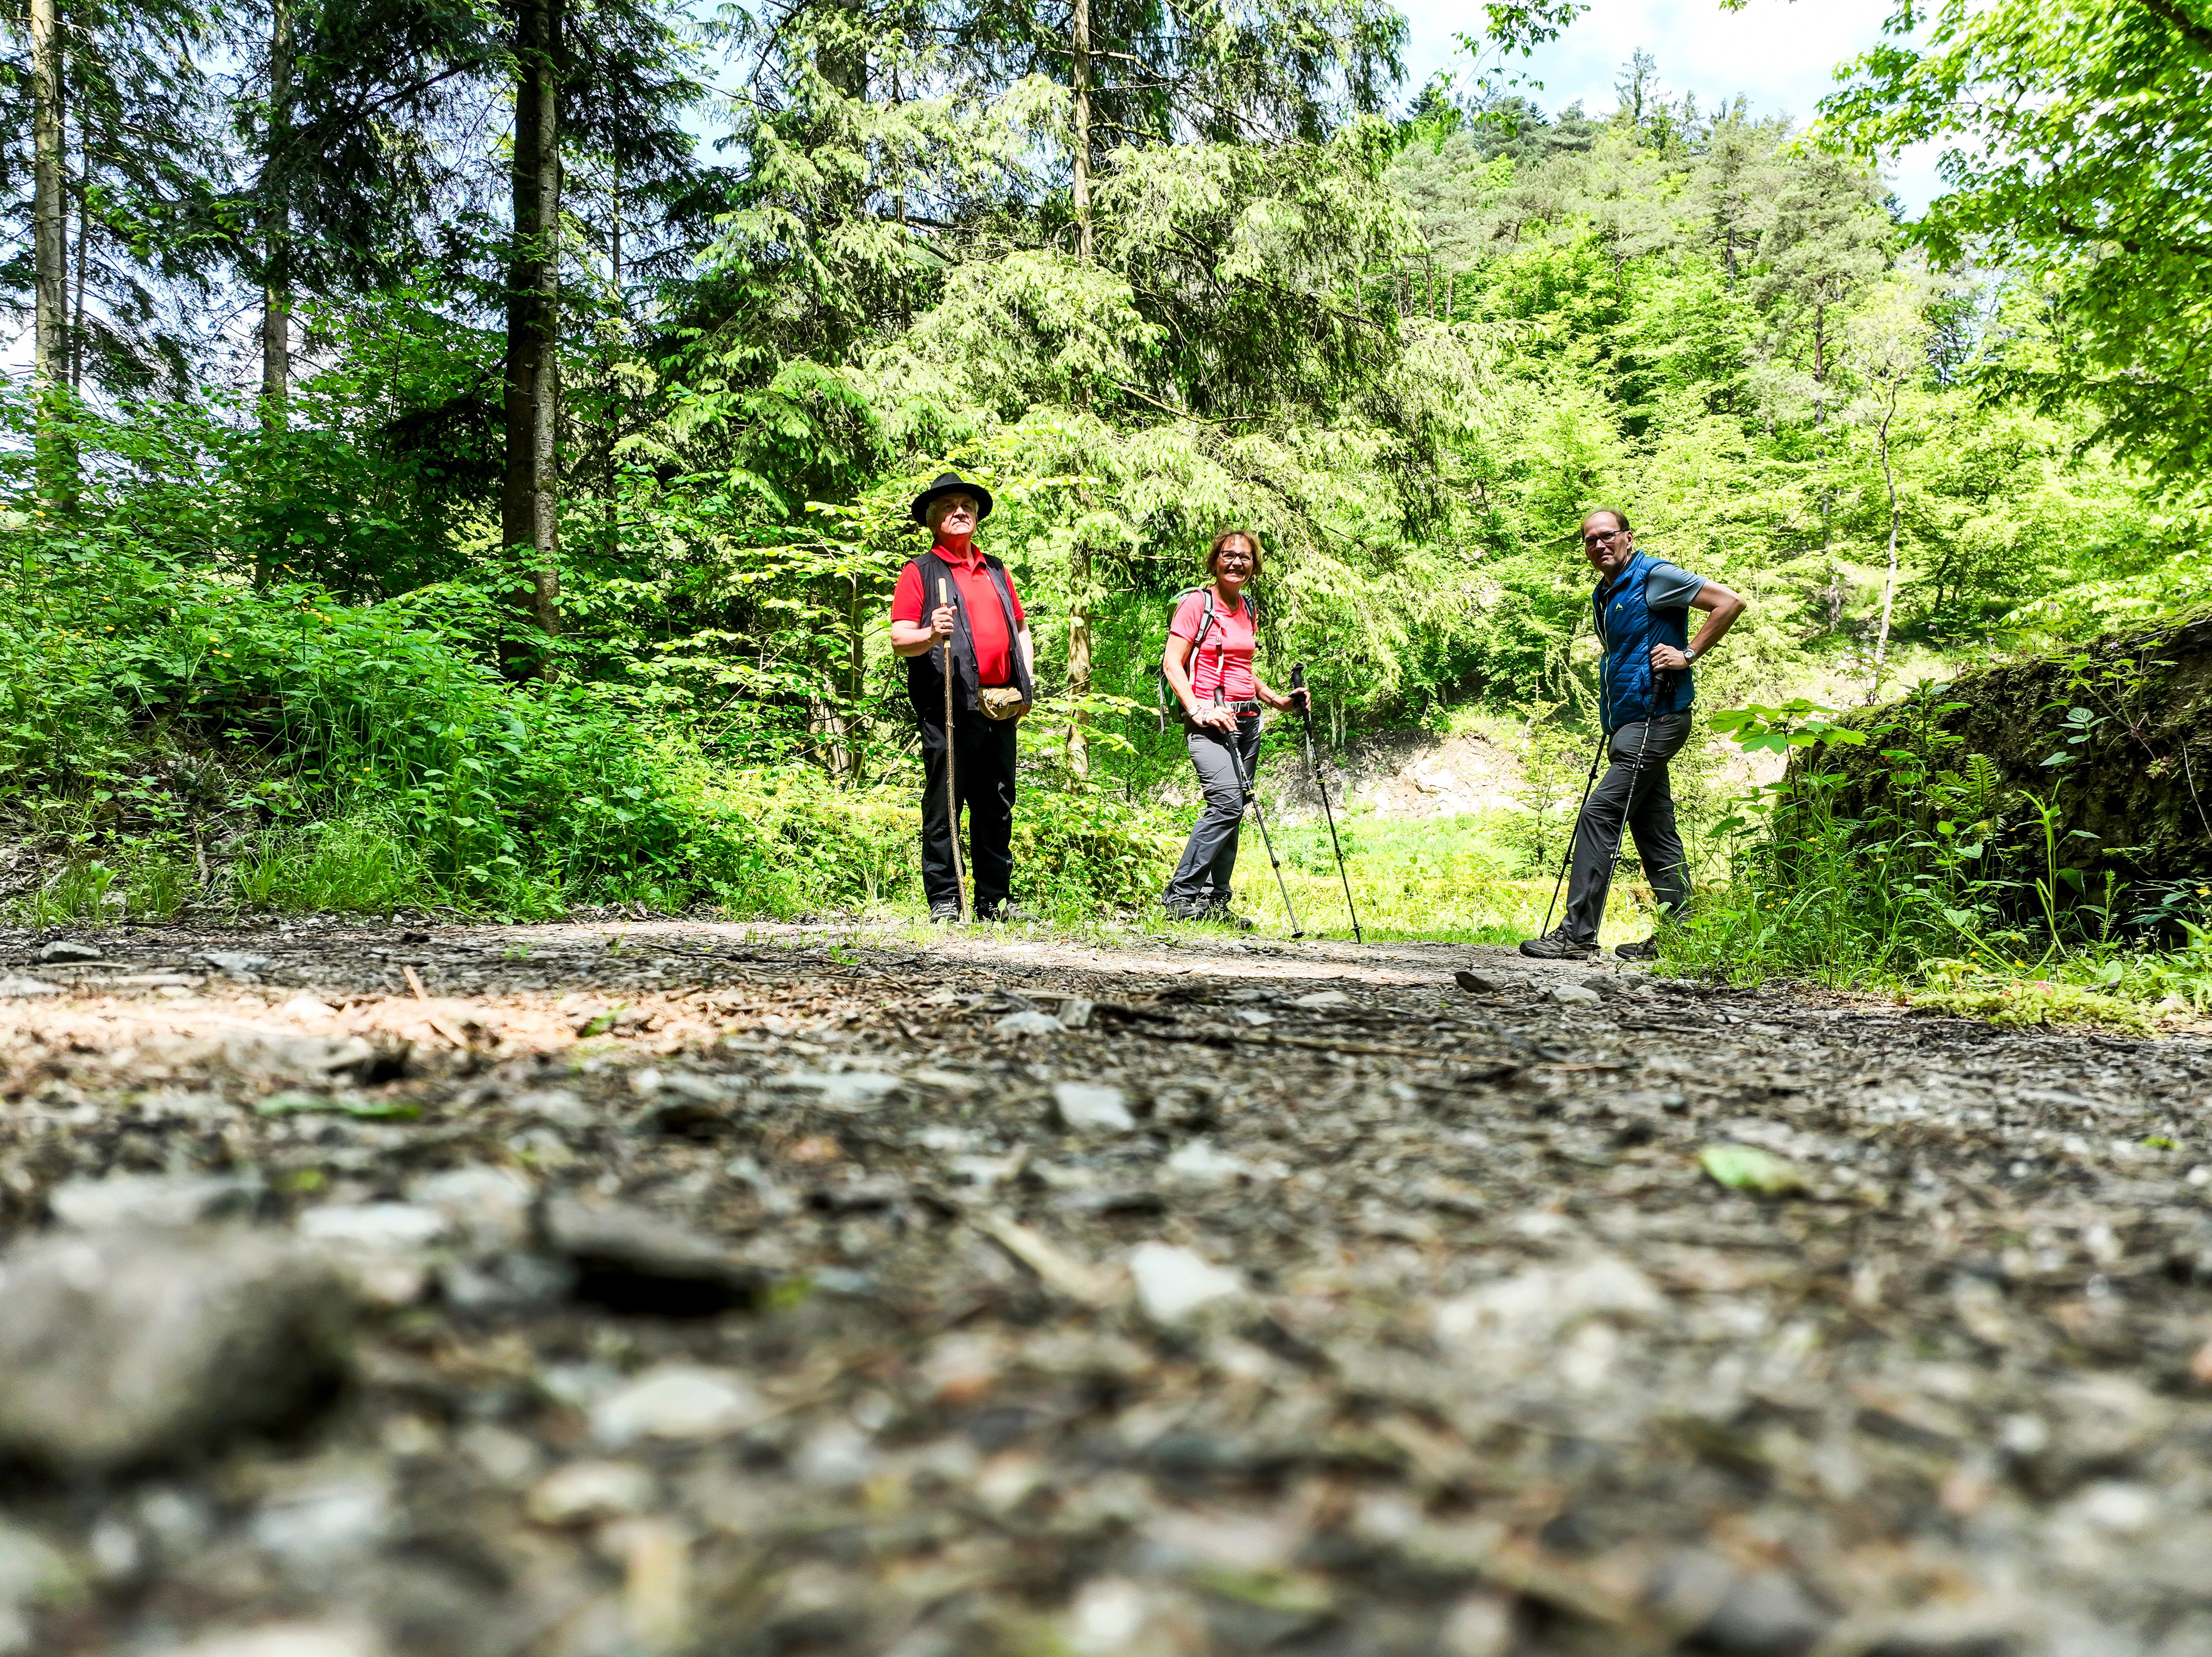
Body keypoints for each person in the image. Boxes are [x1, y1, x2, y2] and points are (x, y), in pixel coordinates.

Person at [1519, 506, 1747, 961]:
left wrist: (1688, 652)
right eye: (1589, 539)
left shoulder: (1654, 576)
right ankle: (1681, 935)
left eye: (1606, 535)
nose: (1598, 544)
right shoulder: (1604, 592)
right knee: (1654, 829)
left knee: (1598, 815)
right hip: (1629, 722)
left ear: (1627, 536)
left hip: (1657, 718)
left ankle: (1576, 936)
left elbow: (1730, 602)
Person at [889, 472, 1038, 923]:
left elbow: (1021, 629)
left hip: (1001, 703)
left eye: (967, 505)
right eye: (950, 506)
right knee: (945, 805)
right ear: (933, 519)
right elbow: (899, 639)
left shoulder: (995, 568)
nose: (961, 511)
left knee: (996, 804)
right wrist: (930, 633)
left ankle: (994, 903)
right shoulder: (920, 572)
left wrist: (1027, 684)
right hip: (949, 708)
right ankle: (945, 903)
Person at [1159, 528, 1307, 924]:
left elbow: (1243, 668)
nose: (1236, 562)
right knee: (1225, 803)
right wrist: (1198, 709)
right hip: (1209, 723)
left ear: (1254, 565)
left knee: (1236, 808)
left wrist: (1277, 700)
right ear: (1215, 560)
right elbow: (1173, 664)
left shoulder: (1247, 607)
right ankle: (1180, 897)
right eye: (1228, 555)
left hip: (1247, 721)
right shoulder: (1197, 604)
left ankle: (1213, 903)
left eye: (1245, 556)